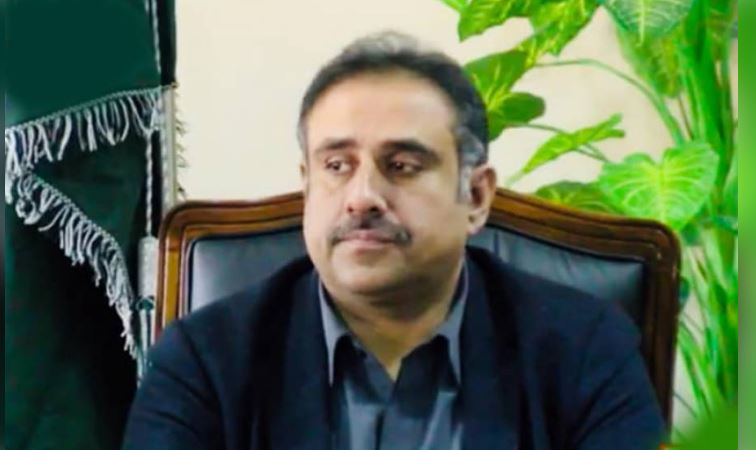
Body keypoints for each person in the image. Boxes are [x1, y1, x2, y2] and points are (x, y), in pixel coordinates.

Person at [123, 32, 665, 450]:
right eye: (337, 165)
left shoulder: (583, 350)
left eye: (402, 165)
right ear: (307, 186)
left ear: (476, 196)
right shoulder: (205, 362)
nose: (362, 197)